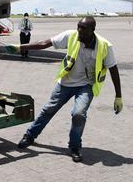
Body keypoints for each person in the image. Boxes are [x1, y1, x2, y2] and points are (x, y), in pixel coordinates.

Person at [6, 16, 122, 162]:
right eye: (78, 26)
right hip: (66, 82)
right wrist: (19, 47)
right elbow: (44, 43)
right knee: (49, 109)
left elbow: (113, 69)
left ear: (93, 30)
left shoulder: (105, 46)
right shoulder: (71, 35)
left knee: (78, 114)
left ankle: (74, 147)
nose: (79, 30)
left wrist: (118, 96)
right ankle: (30, 135)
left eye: (83, 28)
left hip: (86, 85)